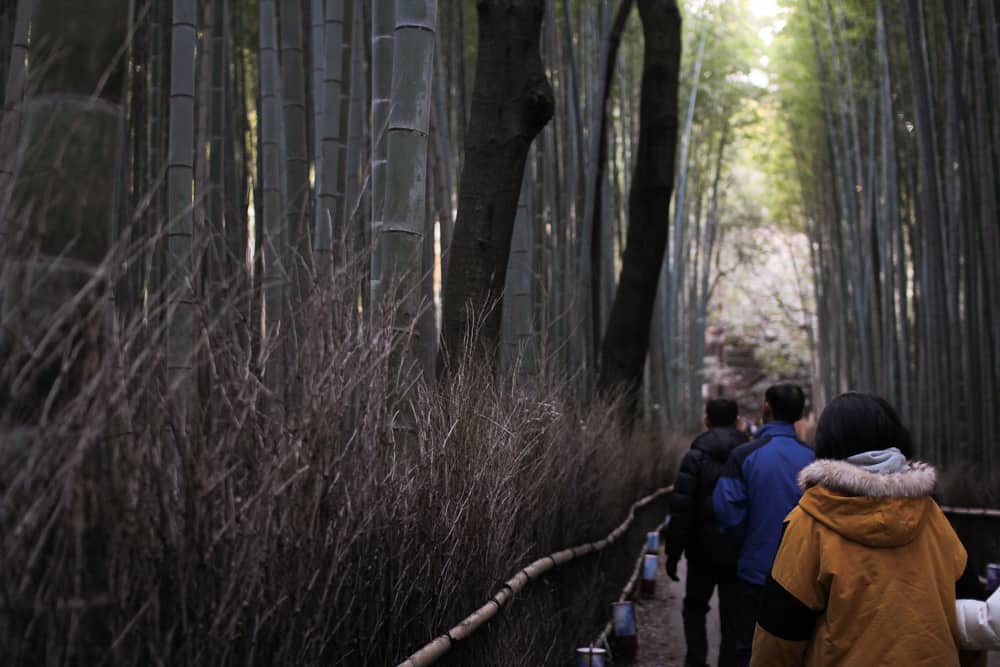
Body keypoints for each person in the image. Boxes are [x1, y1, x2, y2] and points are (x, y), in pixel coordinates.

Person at [750, 392, 987, 666]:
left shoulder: (809, 522)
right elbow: (968, 607)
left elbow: (780, 630)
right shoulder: (930, 515)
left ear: (827, 442)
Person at [712, 383, 814, 667]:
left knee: (747, 647)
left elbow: (727, 511)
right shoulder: (815, 459)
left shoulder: (745, 455)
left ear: (766, 407)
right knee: (799, 651)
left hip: (755, 571)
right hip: (804, 574)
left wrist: (746, 544)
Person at [663, 398, 750, 667]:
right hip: (738, 548)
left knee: (695, 608)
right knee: (733, 615)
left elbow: (682, 508)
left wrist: (673, 553)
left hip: (701, 550)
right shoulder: (750, 454)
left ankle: (697, 660)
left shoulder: (695, 456)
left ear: (707, 420)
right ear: (737, 421)